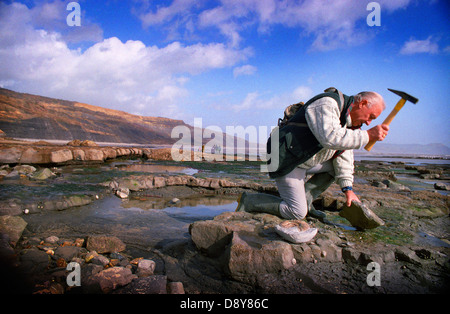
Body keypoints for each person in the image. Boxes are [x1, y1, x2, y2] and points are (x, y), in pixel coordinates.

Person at [236, 88, 389, 220]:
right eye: (371, 117)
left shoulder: (348, 123)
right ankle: (249, 201)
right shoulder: (327, 103)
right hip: (285, 159)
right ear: (362, 104)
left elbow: (344, 154)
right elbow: (330, 137)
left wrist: (347, 189)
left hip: (303, 160)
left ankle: (306, 202)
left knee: (333, 169)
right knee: (296, 212)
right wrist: (368, 136)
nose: (369, 123)